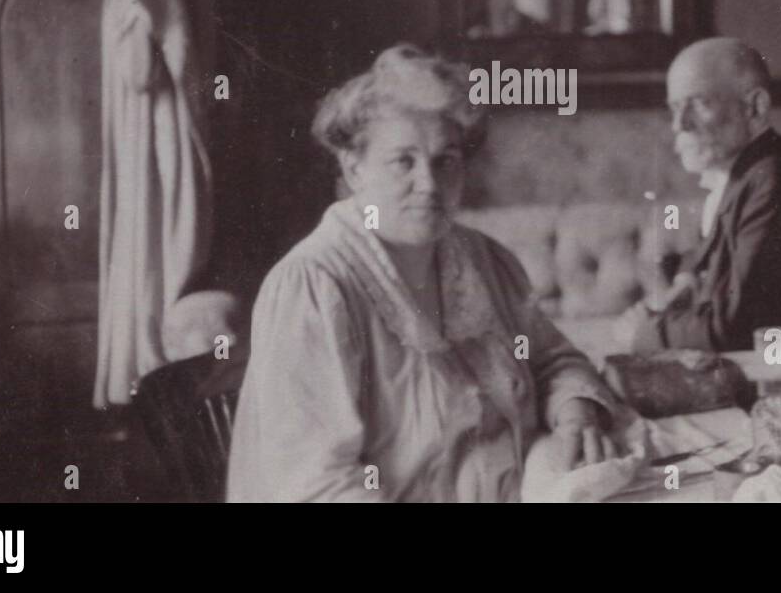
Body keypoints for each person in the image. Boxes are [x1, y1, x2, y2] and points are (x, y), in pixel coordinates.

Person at [226, 44, 618, 502]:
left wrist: (576, 415)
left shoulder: (483, 259)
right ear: (354, 169)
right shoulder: (314, 286)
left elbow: (553, 361)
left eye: (445, 160)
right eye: (403, 161)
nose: (429, 184)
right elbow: (315, 486)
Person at [624, 38, 781, 352]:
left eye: (699, 104)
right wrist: (686, 281)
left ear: (755, 107)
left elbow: (738, 326)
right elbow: (707, 255)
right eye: (676, 108)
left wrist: (648, 333)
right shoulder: (747, 174)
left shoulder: (776, 180)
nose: (680, 125)